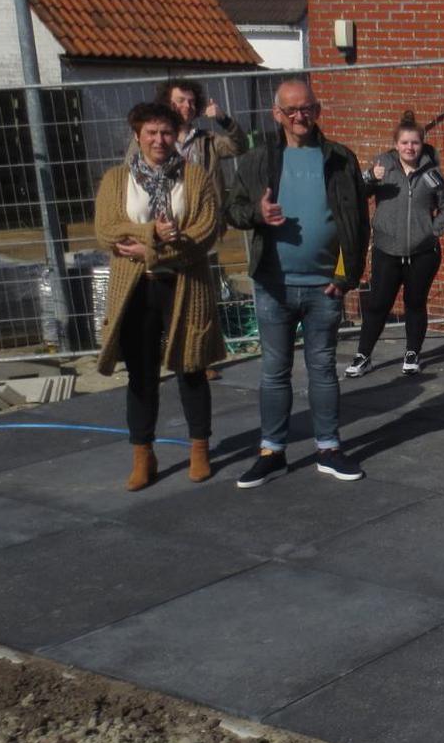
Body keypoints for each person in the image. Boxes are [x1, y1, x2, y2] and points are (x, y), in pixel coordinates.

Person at [224, 78, 368, 487]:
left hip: (325, 286)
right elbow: (230, 209)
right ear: (277, 115)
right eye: (291, 111)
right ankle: (272, 451)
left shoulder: (340, 159)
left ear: (317, 110)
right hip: (273, 285)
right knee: (274, 371)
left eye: (307, 108)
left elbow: (356, 223)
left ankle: (328, 447)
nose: (300, 117)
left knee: (322, 368)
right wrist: (257, 212)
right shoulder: (258, 159)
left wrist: (345, 275)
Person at [92, 101, 225, 490]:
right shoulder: (117, 179)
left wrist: (147, 249)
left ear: (176, 135)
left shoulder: (195, 177)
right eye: (150, 133)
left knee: (191, 369)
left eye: (166, 132)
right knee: (141, 374)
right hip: (135, 289)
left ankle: (199, 448)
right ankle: (142, 454)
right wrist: (153, 234)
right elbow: (106, 230)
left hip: (184, 286)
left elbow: (204, 232)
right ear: (137, 136)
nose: (159, 140)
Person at [348, 110, 444, 378]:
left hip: (423, 252)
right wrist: (369, 177)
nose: (410, 147)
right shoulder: (383, 167)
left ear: (422, 144)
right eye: (404, 142)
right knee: (378, 304)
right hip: (387, 250)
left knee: (415, 303)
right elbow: (356, 194)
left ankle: (412, 353)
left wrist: (432, 232)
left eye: (415, 143)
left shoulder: (432, 173)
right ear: (396, 144)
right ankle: (363, 356)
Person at [157, 78, 245, 178]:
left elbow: (240, 147)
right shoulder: (156, 139)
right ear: (167, 104)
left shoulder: (208, 140)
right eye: (180, 100)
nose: (187, 105)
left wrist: (224, 120)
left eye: (192, 101)